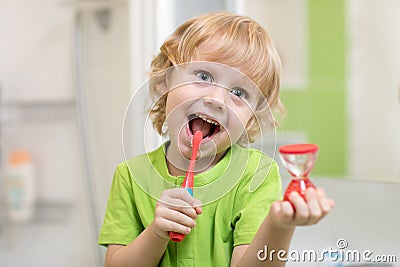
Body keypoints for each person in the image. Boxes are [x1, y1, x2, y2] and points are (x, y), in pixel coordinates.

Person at [98, 11, 334, 267]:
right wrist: (157, 232)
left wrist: (279, 226)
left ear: (251, 118)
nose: (216, 100)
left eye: (238, 92)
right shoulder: (130, 176)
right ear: (166, 80)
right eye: (204, 76)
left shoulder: (256, 175)